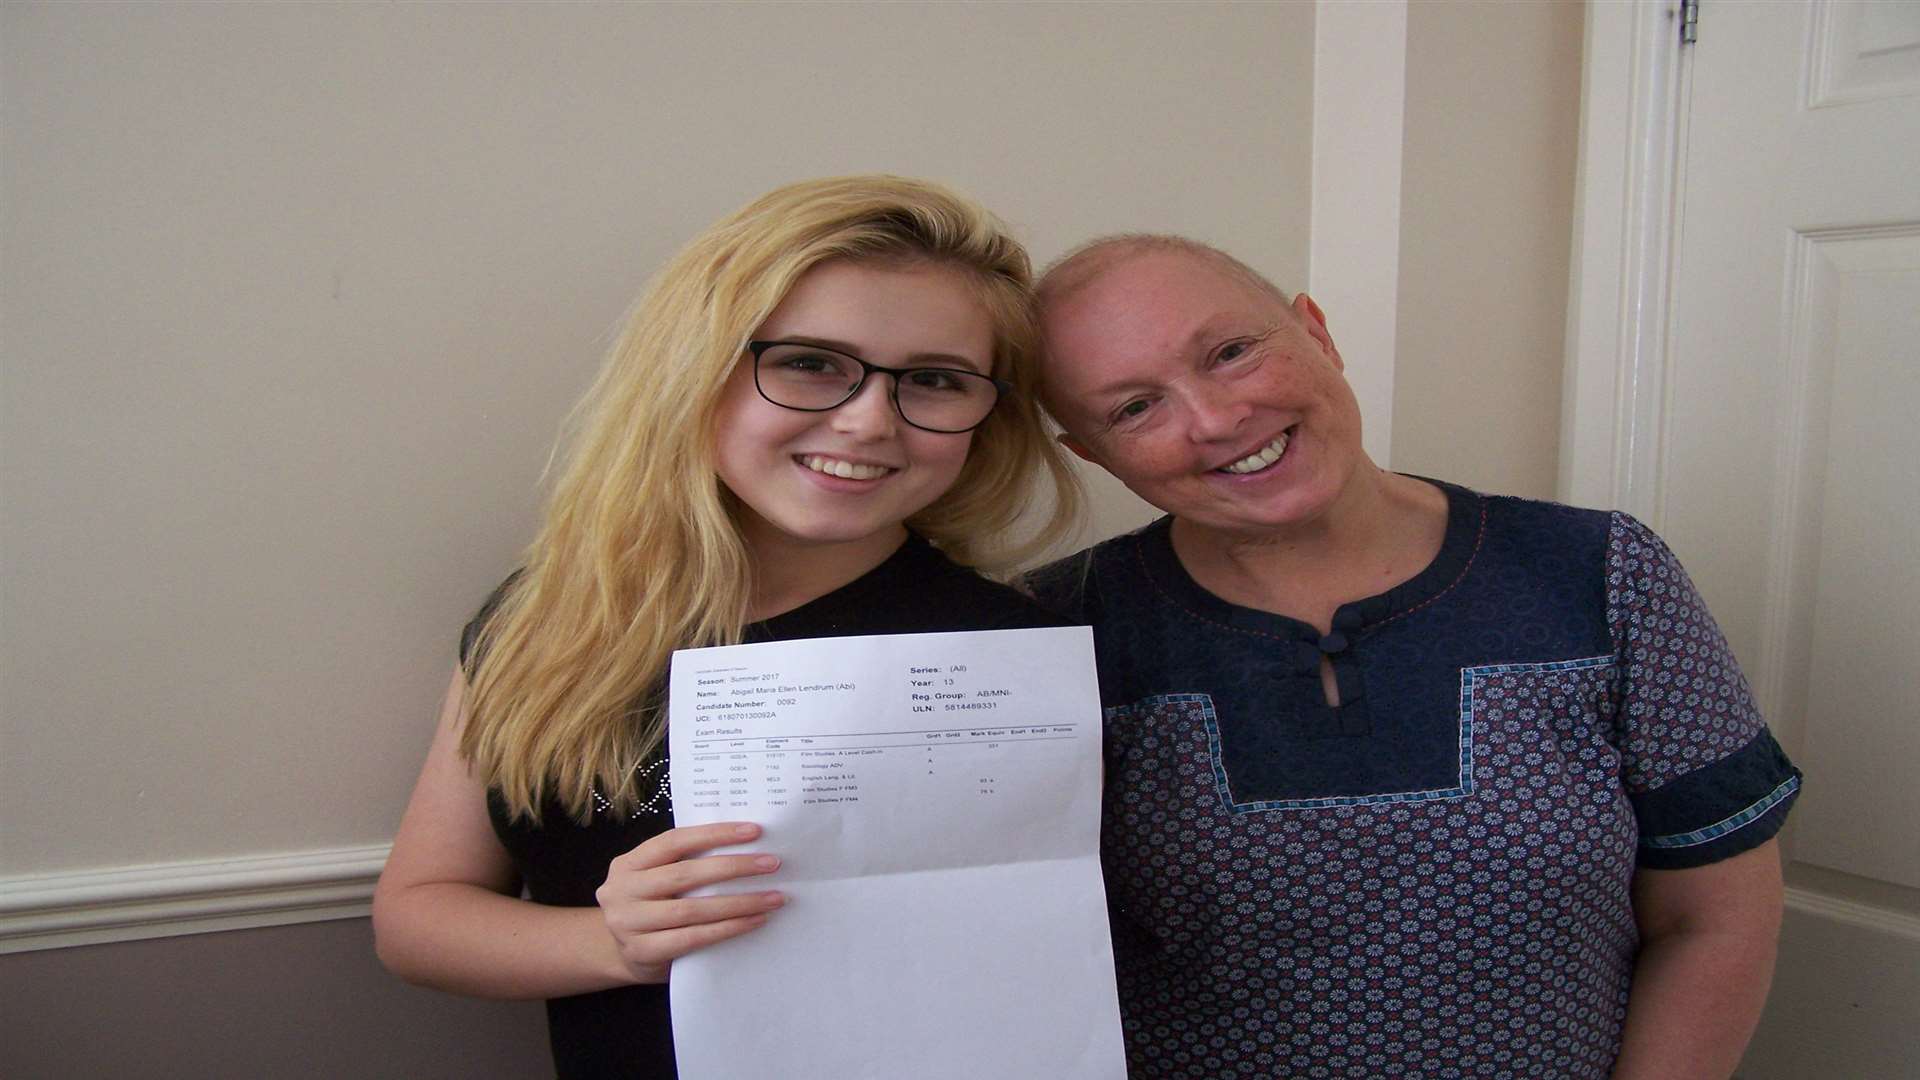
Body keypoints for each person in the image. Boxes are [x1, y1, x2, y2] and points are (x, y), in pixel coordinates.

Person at [1024, 235, 1801, 1079]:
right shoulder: (1052, 631)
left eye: (1231, 352)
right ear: (1092, 454)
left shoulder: (1600, 575)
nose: (1213, 420)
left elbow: (1713, 918)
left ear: (1316, 333)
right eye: (1135, 408)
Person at [371, 176, 1077, 1078]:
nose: (866, 422)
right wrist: (613, 944)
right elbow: (416, 916)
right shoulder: (549, 616)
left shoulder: (1010, 657)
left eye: (935, 381)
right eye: (810, 362)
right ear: (697, 367)